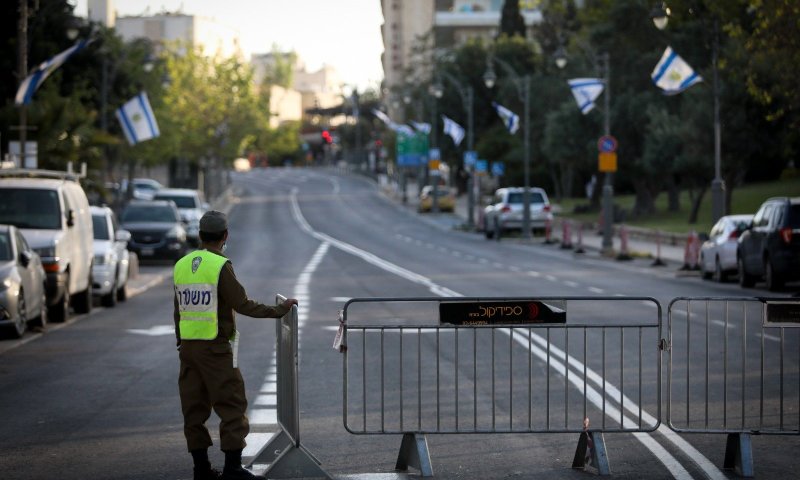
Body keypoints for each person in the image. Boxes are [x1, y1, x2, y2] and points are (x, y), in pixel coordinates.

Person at [174, 210, 298, 480]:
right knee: (232, 404)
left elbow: (178, 310)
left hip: (188, 349)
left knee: (193, 409)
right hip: (214, 348)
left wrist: (181, 342)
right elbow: (242, 304)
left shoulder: (182, 264)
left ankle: (201, 470)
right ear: (225, 236)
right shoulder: (220, 265)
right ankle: (232, 469)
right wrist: (279, 310)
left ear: (200, 235)